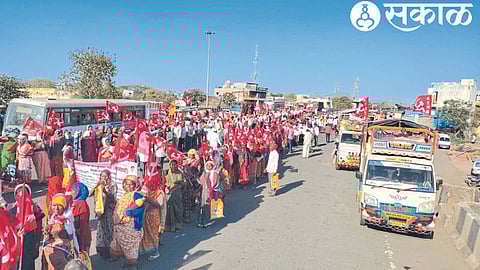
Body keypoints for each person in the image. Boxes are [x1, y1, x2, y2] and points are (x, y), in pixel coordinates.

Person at [110, 175, 144, 270]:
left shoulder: (137, 195)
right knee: (122, 244)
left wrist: (129, 212)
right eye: (126, 184)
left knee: (130, 246)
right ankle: (127, 261)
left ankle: (132, 265)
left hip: (130, 226)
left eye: (131, 185)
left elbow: (140, 210)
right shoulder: (123, 195)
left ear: (135, 185)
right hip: (120, 226)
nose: (128, 187)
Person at [42, 193, 79, 270]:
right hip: (50, 252)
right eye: (54, 205)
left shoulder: (67, 221)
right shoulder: (50, 219)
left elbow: (71, 238)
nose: (56, 208)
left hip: (62, 254)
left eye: (60, 205)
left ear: (64, 207)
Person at [139, 165, 167, 261]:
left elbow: (159, 204)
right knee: (145, 232)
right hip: (145, 215)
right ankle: (145, 249)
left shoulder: (159, 192)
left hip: (154, 216)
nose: (149, 185)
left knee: (153, 233)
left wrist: (148, 199)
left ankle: (156, 251)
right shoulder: (146, 189)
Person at [89, 169, 117, 259]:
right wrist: (96, 186)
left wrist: (104, 190)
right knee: (102, 231)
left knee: (109, 231)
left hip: (109, 211)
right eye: (102, 176)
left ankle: (112, 252)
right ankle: (102, 250)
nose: (104, 178)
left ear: (109, 177)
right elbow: (89, 195)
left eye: (106, 176)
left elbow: (112, 197)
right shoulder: (99, 185)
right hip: (100, 212)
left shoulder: (112, 185)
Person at [197, 161, 223, 228]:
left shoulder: (215, 174)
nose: (209, 167)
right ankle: (201, 222)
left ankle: (208, 222)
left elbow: (218, 184)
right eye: (207, 165)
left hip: (212, 193)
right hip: (204, 192)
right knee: (203, 206)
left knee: (209, 207)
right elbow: (200, 182)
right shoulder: (204, 173)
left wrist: (214, 191)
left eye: (210, 165)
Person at [164, 160, 185, 232]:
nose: (173, 166)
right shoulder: (166, 172)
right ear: (169, 165)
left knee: (178, 209)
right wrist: (169, 185)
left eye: (174, 164)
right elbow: (164, 182)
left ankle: (178, 224)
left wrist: (179, 183)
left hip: (177, 192)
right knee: (169, 209)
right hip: (170, 192)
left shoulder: (180, 173)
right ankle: (170, 226)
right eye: (172, 164)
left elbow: (184, 182)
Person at [72, 183, 92, 255]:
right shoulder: (74, 202)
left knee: (82, 252)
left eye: (74, 190)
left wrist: (81, 240)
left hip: (81, 233)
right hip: (76, 232)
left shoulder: (81, 204)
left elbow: (82, 224)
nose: (72, 192)